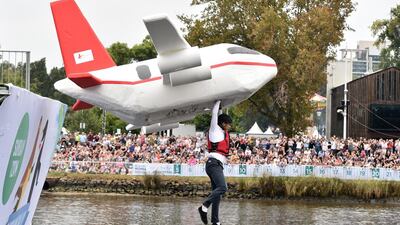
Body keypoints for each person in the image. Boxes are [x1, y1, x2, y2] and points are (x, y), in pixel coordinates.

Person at [198, 100, 232, 225]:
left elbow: (219, 115)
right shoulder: (214, 130)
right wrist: (218, 100)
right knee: (223, 188)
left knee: (217, 195)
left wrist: (222, 107)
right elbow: (214, 115)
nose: (230, 127)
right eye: (229, 124)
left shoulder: (222, 132)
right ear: (223, 124)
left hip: (217, 164)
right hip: (213, 164)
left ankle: (215, 222)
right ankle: (204, 207)